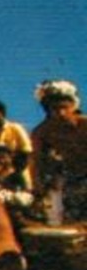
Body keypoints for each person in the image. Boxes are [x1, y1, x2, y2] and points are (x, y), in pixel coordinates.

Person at [30, 79, 86, 224]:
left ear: (73, 106)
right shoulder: (42, 132)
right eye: (55, 109)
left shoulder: (84, 125)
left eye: (64, 107)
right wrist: (38, 189)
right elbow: (37, 162)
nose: (61, 113)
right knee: (74, 223)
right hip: (72, 180)